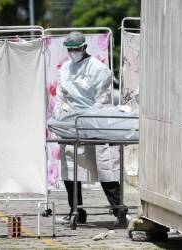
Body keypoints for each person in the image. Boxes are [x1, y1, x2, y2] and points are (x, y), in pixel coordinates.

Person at [53, 31, 128, 226]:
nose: (72, 52)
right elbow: (61, 94)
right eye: (69, 49)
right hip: (71, 122)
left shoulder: (99, 69)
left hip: (94, 121)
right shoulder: (66, 68)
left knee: (105, 167)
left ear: (84, 48)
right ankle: (76, 210)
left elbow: (102, 97)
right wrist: (61, 111)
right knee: (71, 168)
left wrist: (90, 117)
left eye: (76, 49)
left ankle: (119, 210)